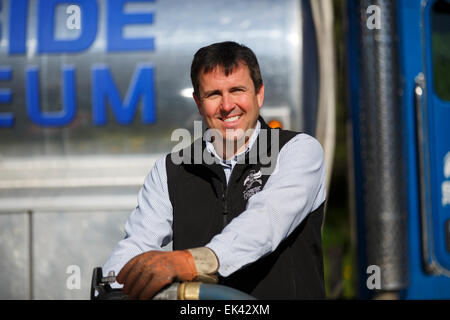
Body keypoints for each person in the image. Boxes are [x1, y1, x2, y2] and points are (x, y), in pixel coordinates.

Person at [103, 41, 327, 300]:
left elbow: (267, 220)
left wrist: (192, 262)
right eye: (213, 95)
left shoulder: (297, 150)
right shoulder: (171, 170)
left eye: (237, 90)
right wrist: (112, 285)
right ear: (199, 103)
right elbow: (138, 245)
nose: (227, 105)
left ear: (259, 94)